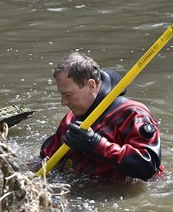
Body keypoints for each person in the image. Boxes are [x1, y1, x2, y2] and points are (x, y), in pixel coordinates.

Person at [40, 52, 163, 181]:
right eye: (62, 95)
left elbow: (147, 166)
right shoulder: (71, 119)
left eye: (69, 95)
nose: (63, 102)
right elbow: (46, 157)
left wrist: (94, 143)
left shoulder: (133, 114)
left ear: (91, 86)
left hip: (123, 195)